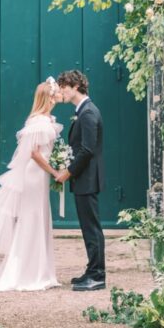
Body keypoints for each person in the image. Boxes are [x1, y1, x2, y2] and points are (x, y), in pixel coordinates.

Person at [0, 79, 63, 292]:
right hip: (35, 175)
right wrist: (55, 171)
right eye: (56, 94)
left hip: (40, 175)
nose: (58, 97)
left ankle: (40, 270)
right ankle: (28, 272)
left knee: (39, 217)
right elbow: (35, 154)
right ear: (50, 97)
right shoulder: (39, 122)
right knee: (32, 218)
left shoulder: (43, 120)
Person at [55, 70, 105, 291]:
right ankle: (92, 270)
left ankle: (97, 276)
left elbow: (86, 150)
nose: (61, 92)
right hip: (84, 179)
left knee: (92, 228)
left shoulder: (88, 113)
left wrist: (68, 172)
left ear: (76, 87)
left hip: (86, 179)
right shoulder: (83, 111)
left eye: (64, 87)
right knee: (88, 227)